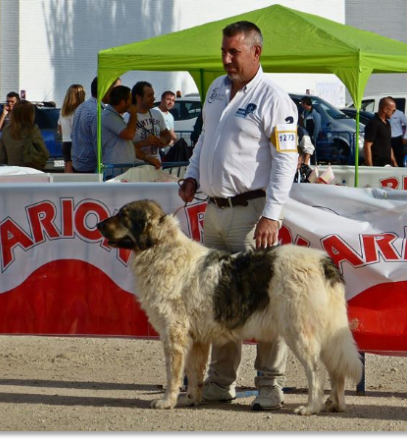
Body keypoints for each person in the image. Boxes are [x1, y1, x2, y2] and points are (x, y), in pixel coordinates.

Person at [178, 20, 298, 412]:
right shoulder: (215, 89)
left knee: (263, 303)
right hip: (214, 212)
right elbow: (203, 139)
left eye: (234, 52)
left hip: (252, 215)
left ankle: (269, 385)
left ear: (256, 52)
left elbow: (286, 160)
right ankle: (220, 382)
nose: (227, 59)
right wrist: (193, 175)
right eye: (224, 52)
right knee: (217, 301)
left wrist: (272, 214)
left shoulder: (275, 99)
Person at [71, 76, 121, 173]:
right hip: (91, 169)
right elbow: (99, 147)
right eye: (116, 90)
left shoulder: (82, 106)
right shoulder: (98, 112)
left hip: (78, 165)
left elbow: (73, 135)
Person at [130, 81, 171, 169]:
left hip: (157, 166)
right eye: (149, 96)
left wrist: (163, 141)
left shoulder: (157, 114)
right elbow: (125, 149)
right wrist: (144, 143)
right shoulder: (128, 118)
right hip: (137, 169)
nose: (153, 98)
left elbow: (167, 135)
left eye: (153, 95)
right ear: (138, 97)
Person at [0, 100, 49, 168]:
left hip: (11, 172)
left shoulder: (6, 130)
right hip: (29, 172)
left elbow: (1, 157)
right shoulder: (32, 129)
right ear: (30, 114)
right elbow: (45, 154)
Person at [101, 85, 139, 166]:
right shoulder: (109, 116)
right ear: (122, 102)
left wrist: (147, 158)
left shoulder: (114, 116)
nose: (131, 103)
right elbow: (129, 134)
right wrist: (133, 113)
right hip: (115, 169)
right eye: (130, 100)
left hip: (120, 168)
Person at [58, 84, 86, 173]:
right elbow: (77, 129)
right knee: (74, 173)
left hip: (65, 142)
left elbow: (59, 128)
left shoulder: (63, 110)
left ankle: (65, 186)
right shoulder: (77, 111)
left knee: (67, 168)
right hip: (75, 144)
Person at [363, 97, 398, 167]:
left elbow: (388, 144)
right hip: (377, 164)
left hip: (387, 164)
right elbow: (367, 145)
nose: (394, 113)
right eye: (393, 111)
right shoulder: (373, 123)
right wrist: (370, 166)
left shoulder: (387, 123)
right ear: (385, 109)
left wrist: (394, 162)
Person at [387, 98, 407, 168]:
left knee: (399, 158)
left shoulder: (399, 113)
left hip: (397, 139)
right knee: (389, 159)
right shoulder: (385, 114)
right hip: (387, 139)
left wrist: (405, 137)